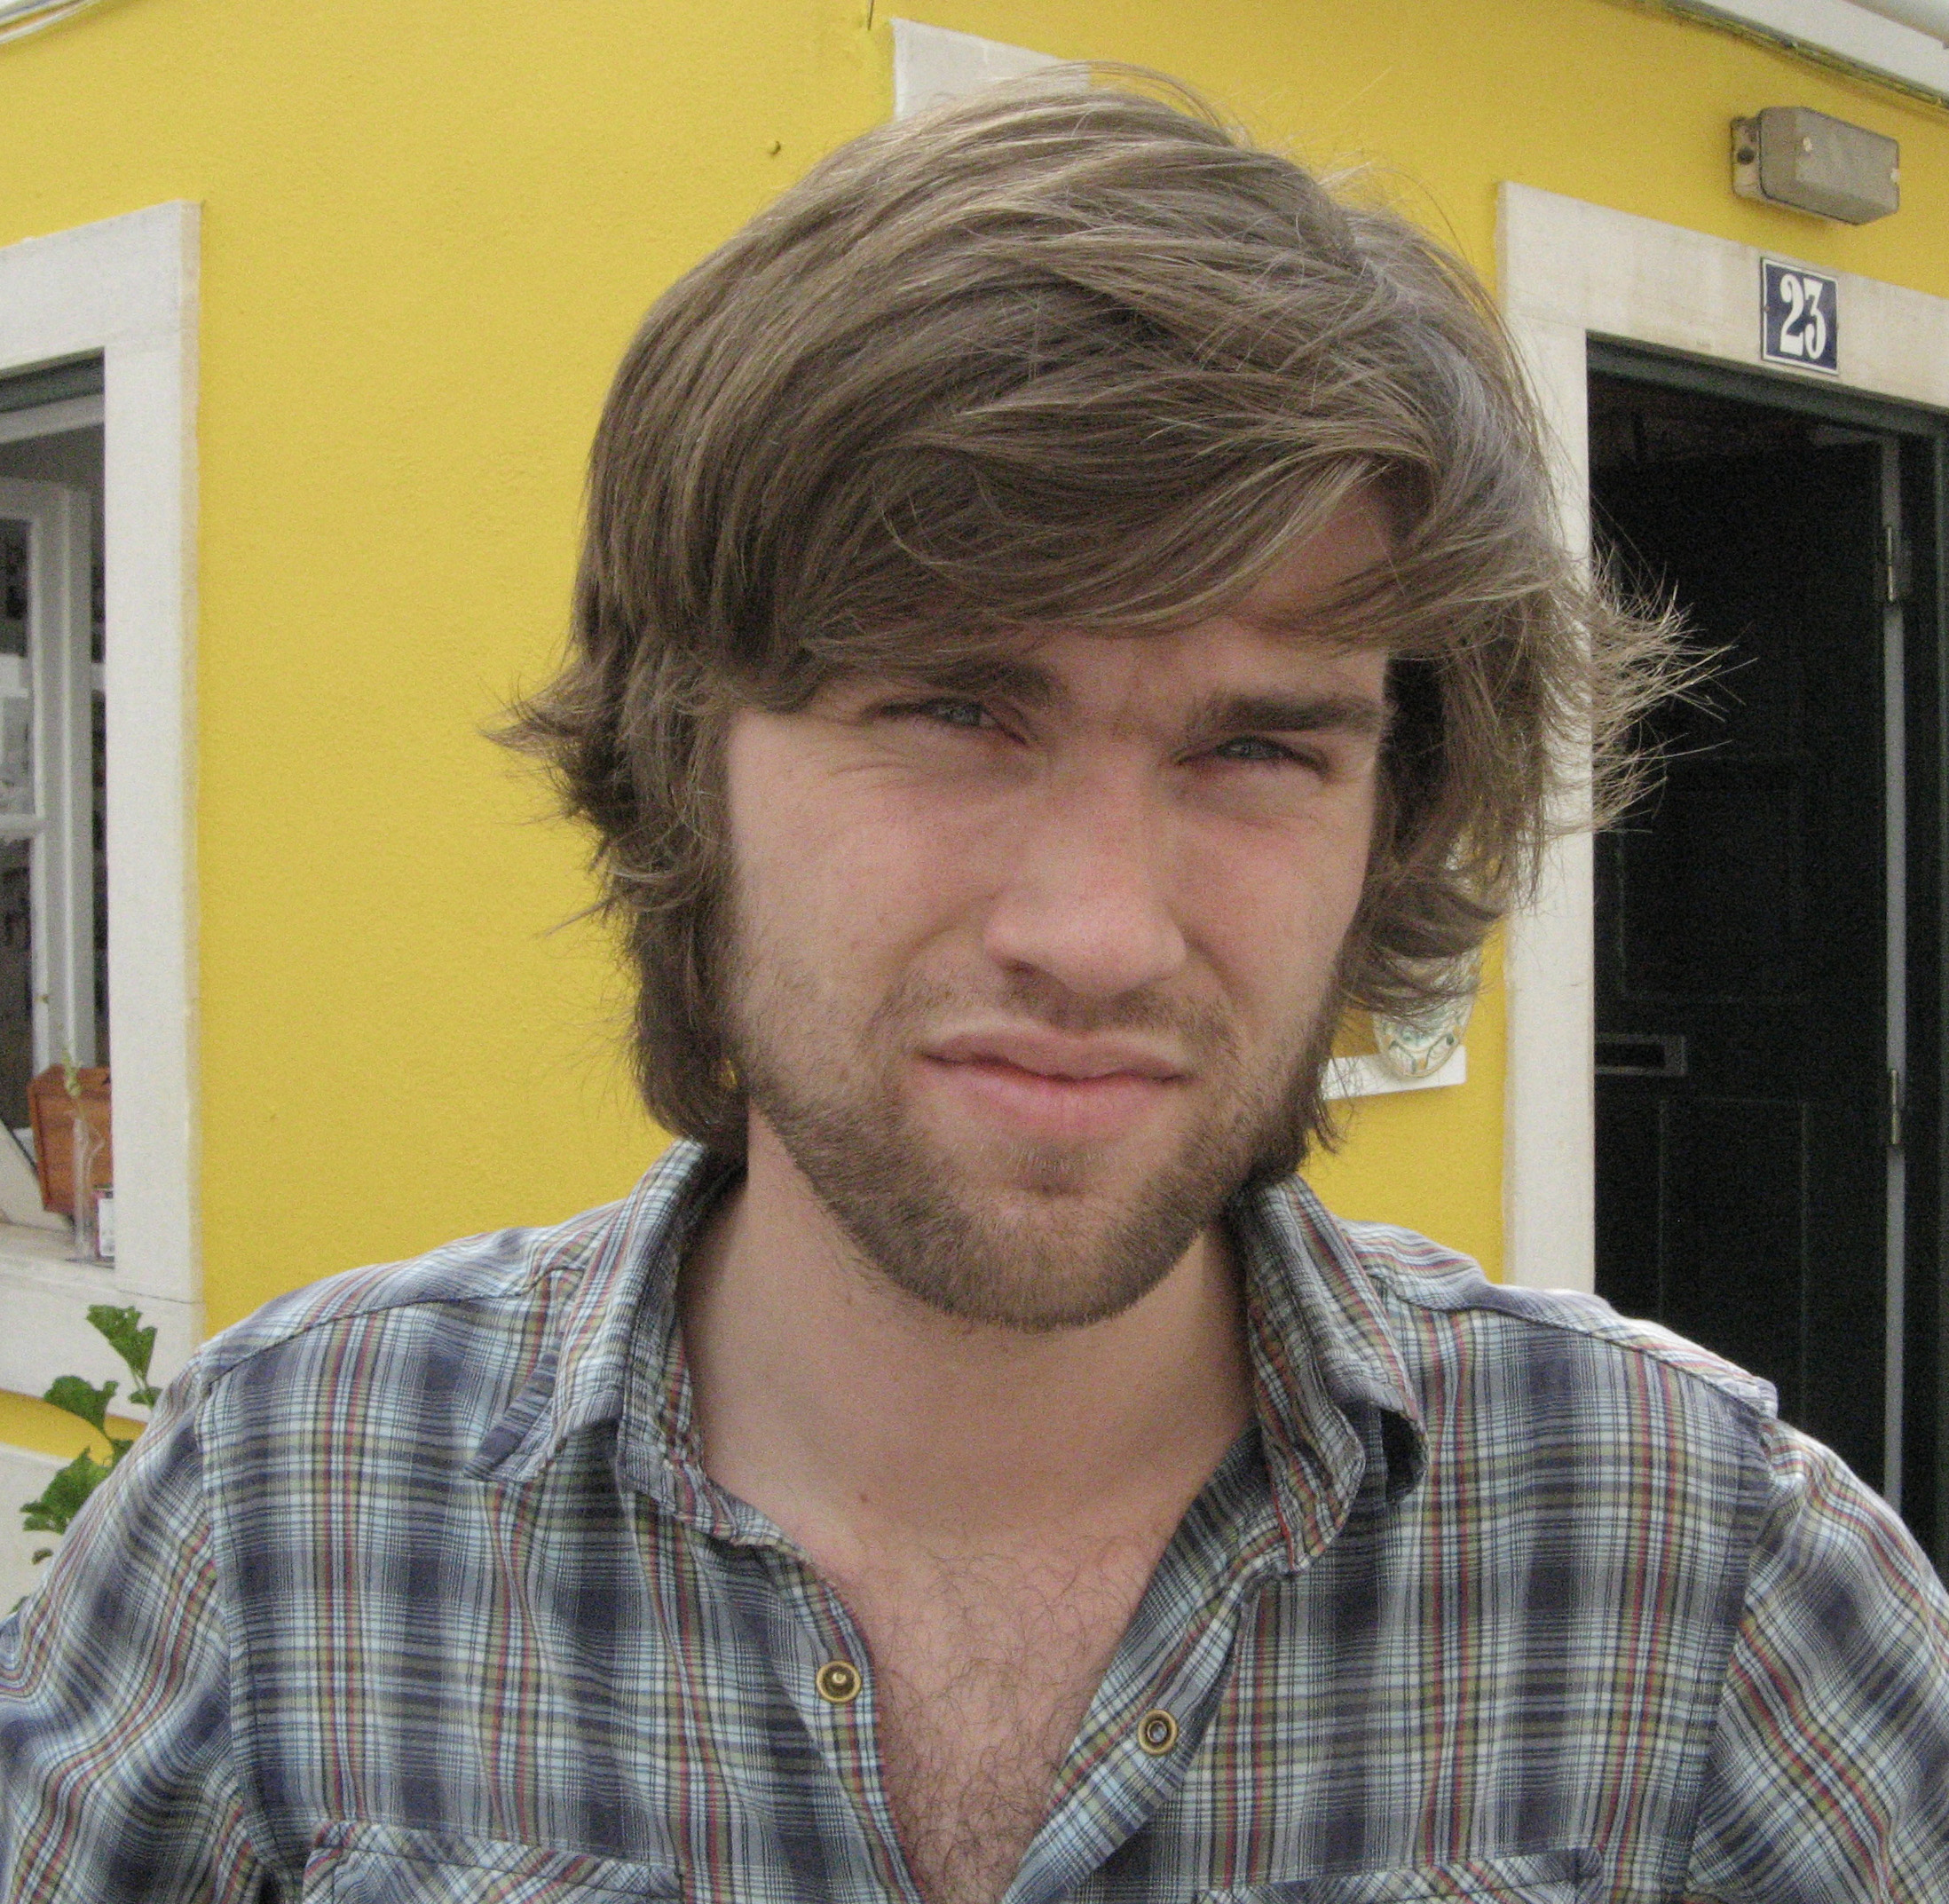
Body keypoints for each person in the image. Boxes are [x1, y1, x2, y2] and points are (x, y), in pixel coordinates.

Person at [4, 72, 1946, 1904]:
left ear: (1393, 815)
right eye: (952, 708)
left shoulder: (1715, 1584)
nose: (1097, 932)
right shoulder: (275, 1520)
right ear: (685, 764)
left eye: (1259, 747)